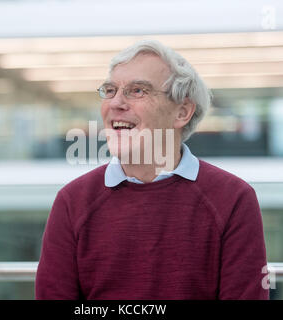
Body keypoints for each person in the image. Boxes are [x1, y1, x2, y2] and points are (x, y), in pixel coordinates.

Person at [35, 40, 269, 300]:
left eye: (137, 91)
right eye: (110, 90)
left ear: (182, 112)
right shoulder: (73, 201)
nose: (116, 103)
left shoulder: (233, 199)